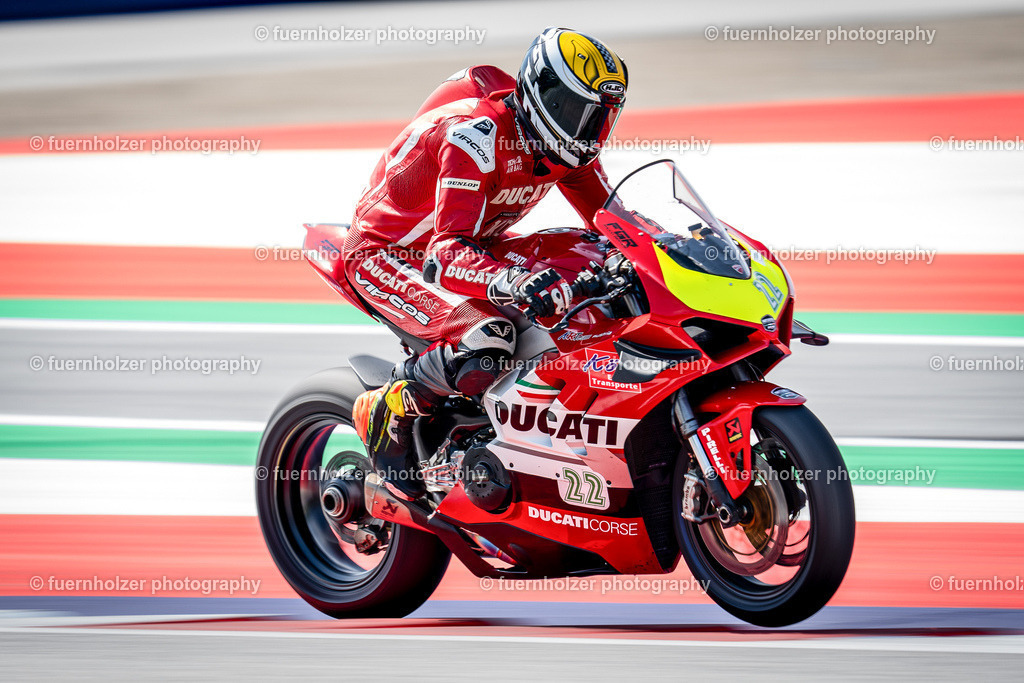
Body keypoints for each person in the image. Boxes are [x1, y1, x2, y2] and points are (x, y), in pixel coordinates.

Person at [345, 27, 628, 499]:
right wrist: (513, 281)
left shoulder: (569, 149)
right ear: (545, 96)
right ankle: (384, 408)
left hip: (476, 246)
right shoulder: (476, 136)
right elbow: (445, 254)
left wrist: (681, 248)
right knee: (488, 336)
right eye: (579, 112)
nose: (588, 130)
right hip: (388, 255)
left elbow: (615, 222)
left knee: (592, 263)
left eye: (600, 118)